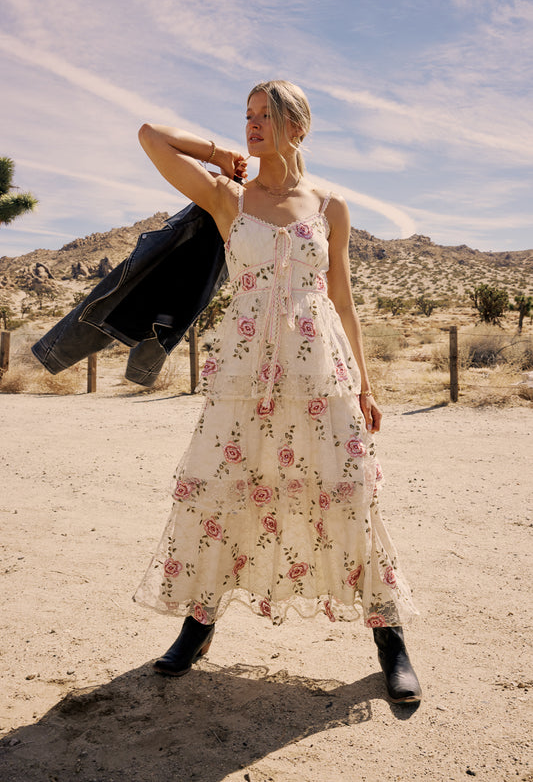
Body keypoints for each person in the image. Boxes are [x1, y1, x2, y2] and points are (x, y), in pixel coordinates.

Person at [133, 80, 421, 703]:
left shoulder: (330, 205)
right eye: (247, 116)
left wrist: (366, 387)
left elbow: (342, 299)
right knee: (223, 491)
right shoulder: (227, 198)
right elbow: (151, 137)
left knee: (349, 493)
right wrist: (217, 154)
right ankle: (199, 623)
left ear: (299, 127)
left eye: (267, 116)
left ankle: (389, 637)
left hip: (322, 371)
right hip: (242, 377)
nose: (253, 125)